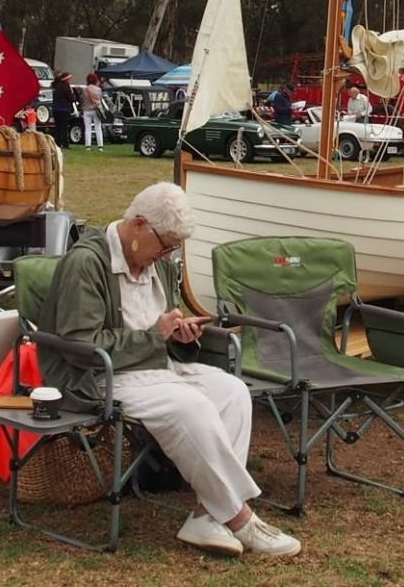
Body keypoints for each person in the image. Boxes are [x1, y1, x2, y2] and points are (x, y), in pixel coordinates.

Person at [42, 182, 301, 558]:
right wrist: (154, 336)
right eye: (165, 245)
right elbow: (84, 347)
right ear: (139, 225)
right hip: (98, 377)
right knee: (189, 406)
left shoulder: (157, 264)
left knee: (232, 392)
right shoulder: (87, 263)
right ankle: (241, 520)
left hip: (154, 367)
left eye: (174, 248)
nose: (167, 254)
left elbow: (162, 327)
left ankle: (205, 514)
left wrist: (180, 333)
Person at [51, 70, 78, 148]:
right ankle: (65, 143)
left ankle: (57, 143)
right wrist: (73, 94)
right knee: (64, 127)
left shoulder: (57, 86)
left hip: (56, 108)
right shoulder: (66, 86)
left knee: (58, 127)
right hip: (64, 109)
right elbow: (71, 99)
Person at [81, 72, 106, 148]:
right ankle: (100, 146)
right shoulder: (98, 89)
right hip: (96, 109)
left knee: (87, 128)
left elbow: (82, 99)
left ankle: (88, 146)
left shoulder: (84, 89)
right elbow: (100, 99)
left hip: (86, 110)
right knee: (98, 127)